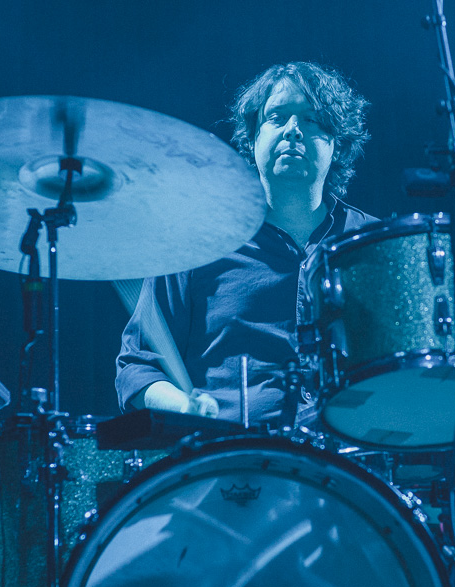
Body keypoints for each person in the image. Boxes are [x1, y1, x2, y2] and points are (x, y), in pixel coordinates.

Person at [115, 61, 373, 427]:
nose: (293, 131)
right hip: (229, 464)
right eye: (276, 117)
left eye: (312, 120)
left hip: (348, 467)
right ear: (252, 140)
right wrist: (185, 408)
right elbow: (138, 368)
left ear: (337, 143)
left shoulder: (372, 246)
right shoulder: (197, 240)